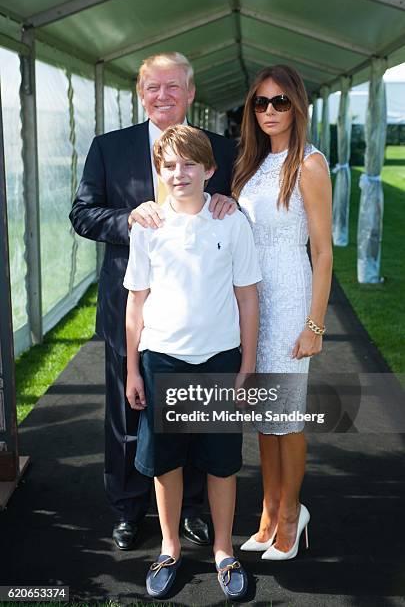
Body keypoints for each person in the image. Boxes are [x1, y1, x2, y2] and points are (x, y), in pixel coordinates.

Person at [69, 52, 237, 550]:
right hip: (132, 309)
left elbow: (239, 211)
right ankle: (127, 508)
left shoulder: (223, 150)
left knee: (196, 415)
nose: (162, 96)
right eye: (152, 88)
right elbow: (82, 214)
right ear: (140, 94)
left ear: (190, 93)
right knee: (128, 415)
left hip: (204, 317)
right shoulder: (109, 148)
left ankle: (192, 510)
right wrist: (129, 220)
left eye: (172, 87)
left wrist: (231, 201)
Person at [124, 125, 261, 599]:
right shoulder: (147, 227)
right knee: (167, 465)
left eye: (188, 165)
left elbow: (247, 298)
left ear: (210, 170)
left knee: (222, 464)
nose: (178, 174)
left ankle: (225, 550)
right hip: (162, 360)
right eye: (168, 166)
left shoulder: (231, 221)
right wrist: (132, 369)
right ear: (159, 173)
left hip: (220, 360)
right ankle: (170, 548)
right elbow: (136, 303)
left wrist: (246, 366)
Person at [233, 65, 332, 560]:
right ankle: (268, 512)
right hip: (254, 301)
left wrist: (315, 325)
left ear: (297, 106)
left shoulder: (309, 163)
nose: (269, 111)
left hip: (291, 298)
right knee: (263, 416)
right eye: (260, 102)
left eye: (280, 102)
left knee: (287, 417)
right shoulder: (250, 164)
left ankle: (293, 514)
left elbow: (324, 252)